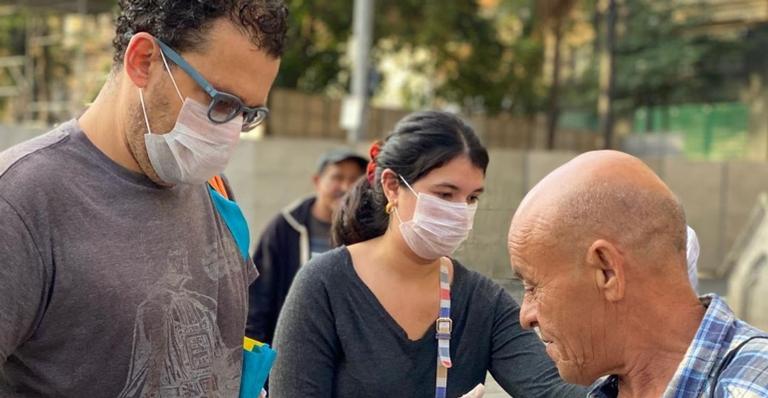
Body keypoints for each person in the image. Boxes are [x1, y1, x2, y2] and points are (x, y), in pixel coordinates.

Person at [0, 1, 287, 396]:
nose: (230, 134)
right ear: (144, 60)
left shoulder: (213, 189)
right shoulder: (21, 202)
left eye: (247, 114)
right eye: (221, 103)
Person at [269, 111, 587, 397]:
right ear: (392, 186)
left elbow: (553, 390)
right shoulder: (325, 284)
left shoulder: (481, 301)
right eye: (445, 194)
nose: (459, 211)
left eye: (472, 197)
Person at [507, 150, 768, 397]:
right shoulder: (610, 386)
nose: (525, 316)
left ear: (607, 271)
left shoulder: (752, 386)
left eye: (533, 287)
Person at [246, 148, 367, 344]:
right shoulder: (285, 227)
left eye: (354, 179)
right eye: (337, 177)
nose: (345, 187)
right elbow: (259, 295)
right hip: (290, 342)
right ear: (317, 181)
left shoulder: (368, 232)